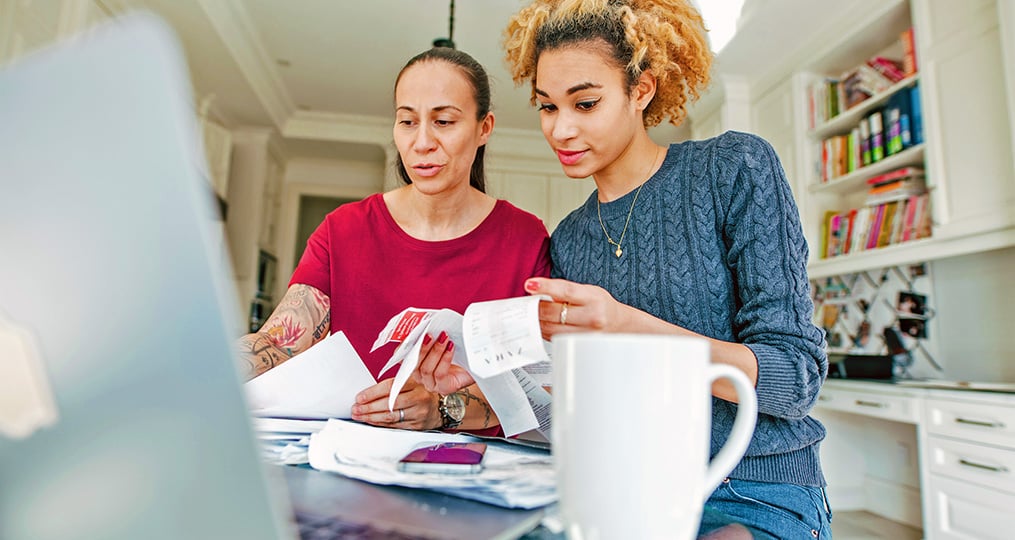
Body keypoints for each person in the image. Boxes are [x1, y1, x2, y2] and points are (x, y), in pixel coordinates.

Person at [501, 0, 832, 537]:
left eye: (585, 104)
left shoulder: (733, 169)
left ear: (641, 90)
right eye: (546, 106)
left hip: (752, 488)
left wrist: (624, 324)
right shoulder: (567, 239)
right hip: (626, 485)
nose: (560, 130)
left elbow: (795, 380)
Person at [236, 46, 551, 437]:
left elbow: (535, 392)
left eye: (444, 121)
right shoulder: (343, 230)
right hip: (351, 464)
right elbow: (280, 343)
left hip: (468, 474)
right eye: (407, 121)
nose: (422, 142)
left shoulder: (524, 239)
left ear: (483, 128)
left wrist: (440, 410)